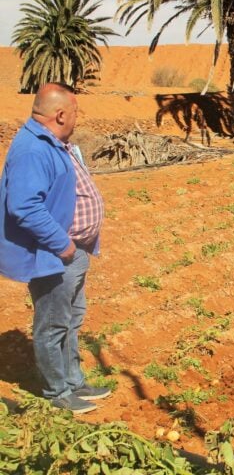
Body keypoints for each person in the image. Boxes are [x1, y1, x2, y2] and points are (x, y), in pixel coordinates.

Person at [0, 82, 109, 414]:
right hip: (52, 255)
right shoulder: (33, 149)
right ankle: (57, 392)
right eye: (75, 111)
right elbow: (24, 206)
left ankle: (74, 381)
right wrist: (62, 245)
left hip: (71, 253)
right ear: (61, 114)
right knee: (53, 324)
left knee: (71, 319)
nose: (78, 117)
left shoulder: (52, 142)